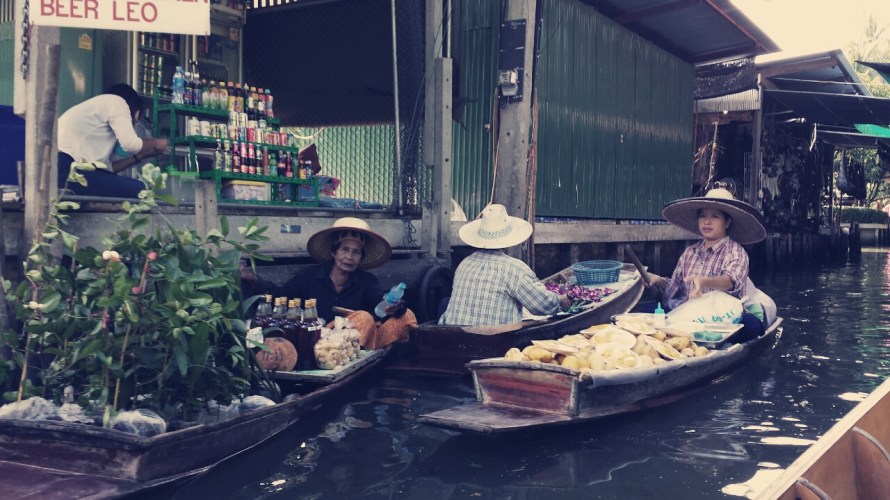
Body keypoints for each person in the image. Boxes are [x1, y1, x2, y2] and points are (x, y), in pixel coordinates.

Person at [646, 188, 775, 342]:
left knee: (751, 326)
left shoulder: (736, 252)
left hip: (721, 318)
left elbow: (731, 282)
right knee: (644, 312)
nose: (707, 222)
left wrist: (704, 281)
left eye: (715, 216)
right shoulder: (690, 252)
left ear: (727, 222)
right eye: (703, 216)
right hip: (687, 314)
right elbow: (675, 288)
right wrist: (658, 280)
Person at [241, 217, 394, 323]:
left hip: (353, 344)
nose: (349, 257)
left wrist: (392, 305)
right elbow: (283, 297)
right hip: (315, 341)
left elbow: (378, 306)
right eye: (345, 250)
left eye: (356, 252)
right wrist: (255, 280)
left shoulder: (367, 282)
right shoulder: (309, 276)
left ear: (361, 258)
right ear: (334, 252)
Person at [439, 204, 571, 326]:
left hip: (453, 336)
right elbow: (543, 306)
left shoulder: (464, 264)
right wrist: (560, 300)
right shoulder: (515, 269)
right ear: (509, 240)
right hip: (495, 340)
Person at [57, 83, 168, 198]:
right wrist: (157, 142)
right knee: (140, 190)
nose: (132, 125)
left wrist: (142, 155)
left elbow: (107, 168)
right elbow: (131, 144)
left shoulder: (97, 113)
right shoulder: (118, 102)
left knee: (128, 187)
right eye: (134, 121)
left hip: (62, 170)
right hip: (66, 170)